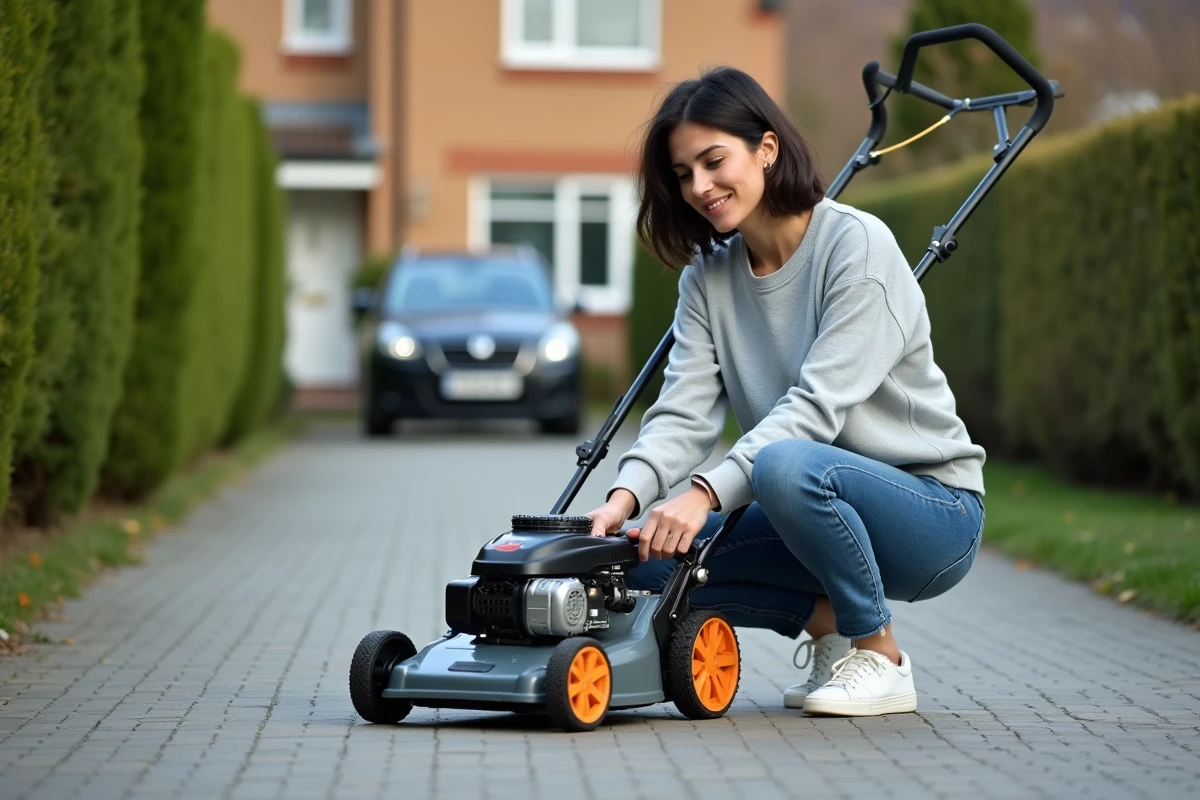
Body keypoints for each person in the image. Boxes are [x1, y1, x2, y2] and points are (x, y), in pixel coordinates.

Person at [583, 66, 986, 717]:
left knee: (785, 463)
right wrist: (623, 499)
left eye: (714, 162)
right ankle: (826, 624)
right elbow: (682, 413)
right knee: (640, 565)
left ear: (766, 148)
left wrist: (705, 491)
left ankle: (880, 655)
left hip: (933, 515)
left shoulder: (857, 246)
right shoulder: (706, 280)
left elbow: (816, 411)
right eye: (684, 174)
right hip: (803, 502)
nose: (700, 187)